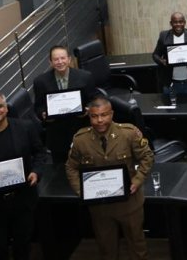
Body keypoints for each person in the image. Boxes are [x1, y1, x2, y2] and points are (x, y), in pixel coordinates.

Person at [65, 97, 154, 260]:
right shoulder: (80, 140)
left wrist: (137, 181)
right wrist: (81, 190)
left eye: (104, 115)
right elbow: (71, 167)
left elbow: (147, 157)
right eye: (94, 116)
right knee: (107, 249)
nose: (100, 120)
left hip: (129, 204)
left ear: (111, 114)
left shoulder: (128, 133)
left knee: (137, 246)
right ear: (89, 116)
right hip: (100, 208)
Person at [0, 92, 47, 260]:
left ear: (6, 108)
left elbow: (40, 153)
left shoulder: (25, 127)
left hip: (22, 199)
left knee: (23, 245)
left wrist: (36, 172)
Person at [33, 45, 98, 163]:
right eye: (56, 59)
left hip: (80, 129)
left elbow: (94, 98)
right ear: (50, 62)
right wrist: (42, 114)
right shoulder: (40, 82)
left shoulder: (85, 76)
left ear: (69, 59)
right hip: (57, 134)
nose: (60, 62)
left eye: (63, 58)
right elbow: (38, 106)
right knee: (61, 170)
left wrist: (89, 109)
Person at [153, 12, 187, 94]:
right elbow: (155, 55)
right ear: (171, 23)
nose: (178, 24)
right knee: (170, 106)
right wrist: (161, 61)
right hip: (171, 83)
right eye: (175, 22)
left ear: (184, 23)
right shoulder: (164, 36)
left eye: (181, 22)